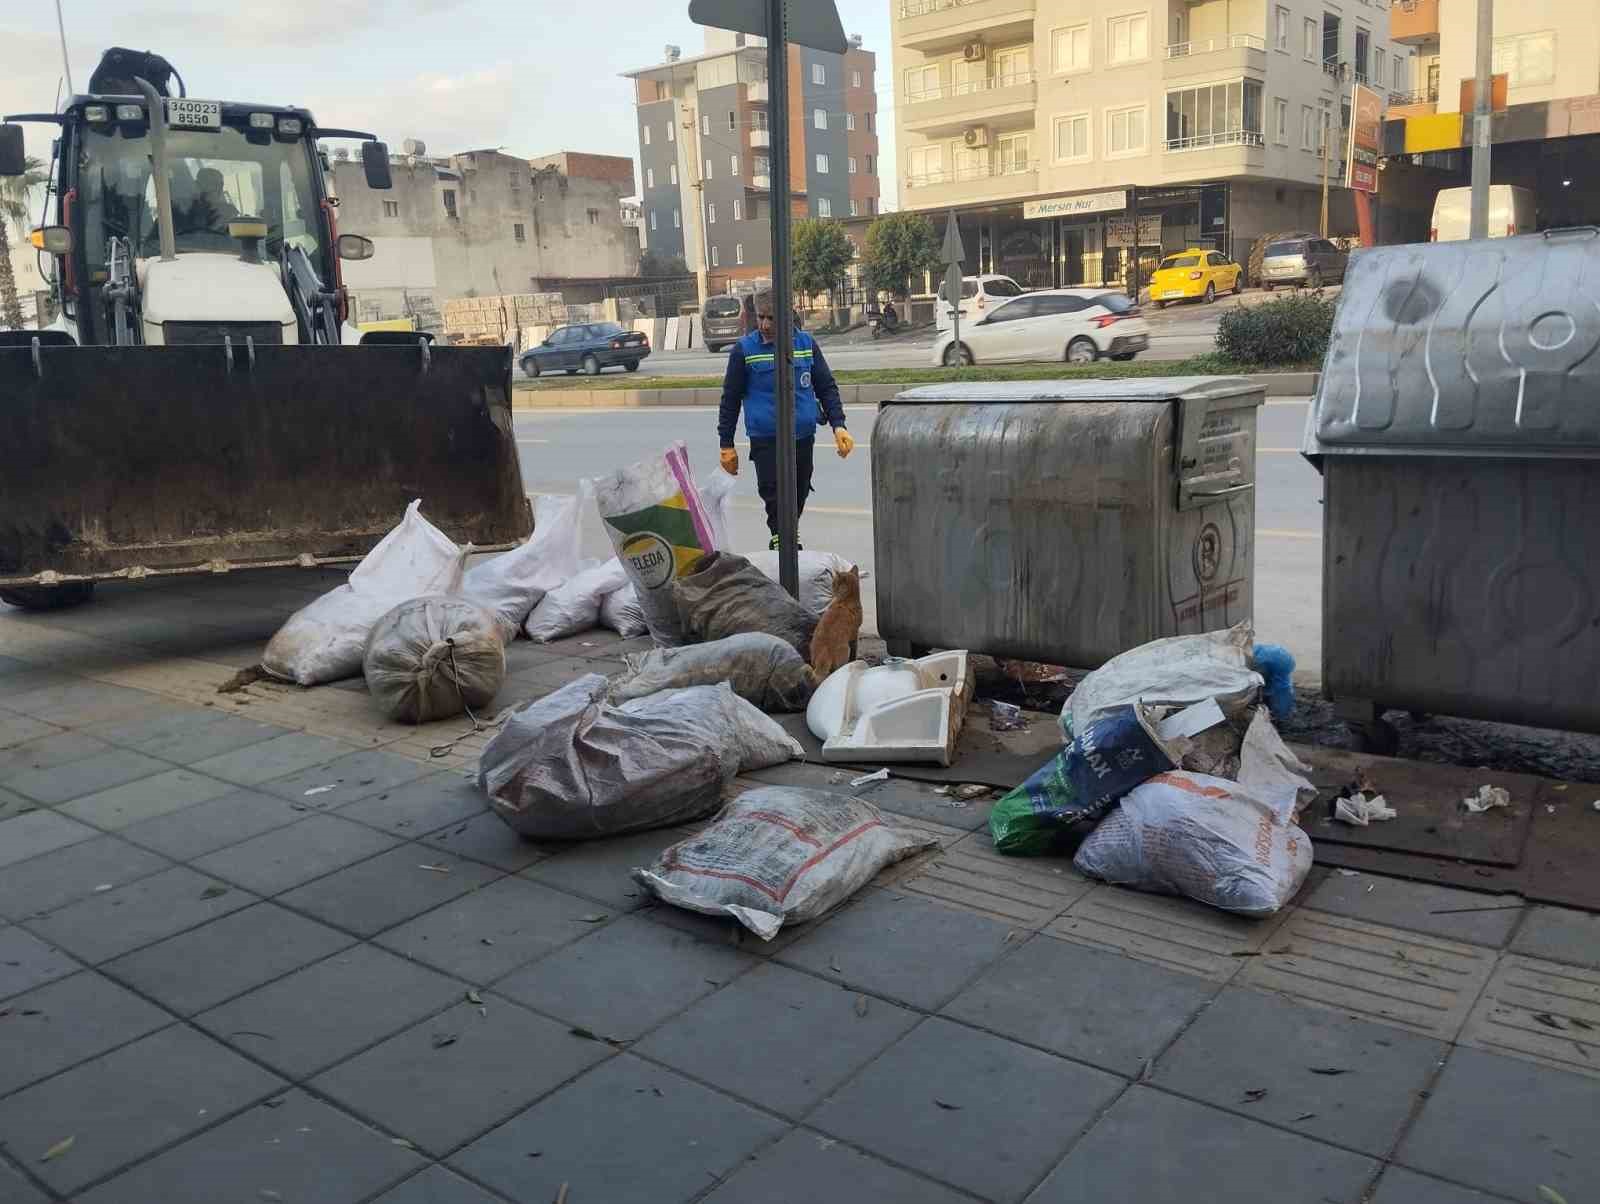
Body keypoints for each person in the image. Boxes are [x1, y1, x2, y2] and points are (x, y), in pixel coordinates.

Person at [718, 292, 854, 550]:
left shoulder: (806, 344)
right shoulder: (744, 350)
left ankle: (788, 532)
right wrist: (726, 443)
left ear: (786, 317)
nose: (765, 325)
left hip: (802, 436)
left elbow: (826, 386)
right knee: (773, 491)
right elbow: (730, 399)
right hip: (765, 438)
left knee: (800, 488)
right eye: (761, 317)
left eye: (771, 318)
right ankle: (782, 538)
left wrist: (838, 425)